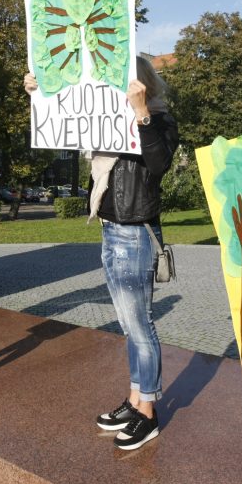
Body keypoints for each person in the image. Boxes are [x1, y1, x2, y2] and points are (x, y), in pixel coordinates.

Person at [23, 56, 179, 450]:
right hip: (110, 229)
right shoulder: (105, 118)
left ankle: (149, 413)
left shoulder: (159, 119)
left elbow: (159, 164)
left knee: (140, 324)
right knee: (129, 325)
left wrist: (141, 113)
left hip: (135, 233)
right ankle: (134, 399)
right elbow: (65, 121)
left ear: (140, 82)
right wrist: (42, 96)